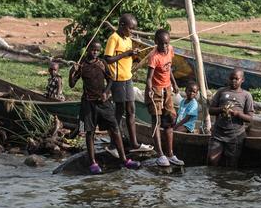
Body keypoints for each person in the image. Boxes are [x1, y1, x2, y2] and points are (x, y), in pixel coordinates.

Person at [68, 41, 140, 174]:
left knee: (114, 127)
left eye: (97, 50)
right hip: (88, 103)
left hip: (103, 102)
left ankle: (124, 160)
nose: (95, 52)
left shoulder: (102, 63)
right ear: (88, 49)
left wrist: (106, 92)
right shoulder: (82, 65)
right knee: (89, 132)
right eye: (93, 50)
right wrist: (72, 72)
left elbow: (110, 79)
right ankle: (93, 162)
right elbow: (72, 84)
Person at [104, 13, 152, 153]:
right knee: (119, 111)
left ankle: (134, 144)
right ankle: (113, 144)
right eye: (130, 28)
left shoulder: (128, 39)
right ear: (122, 25)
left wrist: (134, 56)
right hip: (117, 80)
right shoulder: (114, 38)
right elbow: (108, 59)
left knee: (131, 110)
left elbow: (128, 57)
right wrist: (126, 54)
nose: (132, 31)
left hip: (127, 78)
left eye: (133, 29)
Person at [146, 29, 184, 167]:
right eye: (161, 43)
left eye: (166, 43)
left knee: (170, 120)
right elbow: (149, 78)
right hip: (156, 90)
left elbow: (169, 69)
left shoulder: (170, 50)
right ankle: (160, 154)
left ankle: (170, 153)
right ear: (156, 42)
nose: (164, 46)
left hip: (167, 89)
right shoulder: (154, 56)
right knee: (156, 121)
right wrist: (149, 90)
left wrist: (174, 83)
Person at [207, 68, 254, 167]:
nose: (233, 81)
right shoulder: (221, 91)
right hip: (218, 133)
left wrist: (237, 114)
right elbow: (210, 110)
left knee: (231, 165)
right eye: (231, 78)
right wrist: (222, 109)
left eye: (236, 79)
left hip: (236, 135)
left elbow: (250, 118)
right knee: (212, 160)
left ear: (242, 80)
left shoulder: (246, 95)